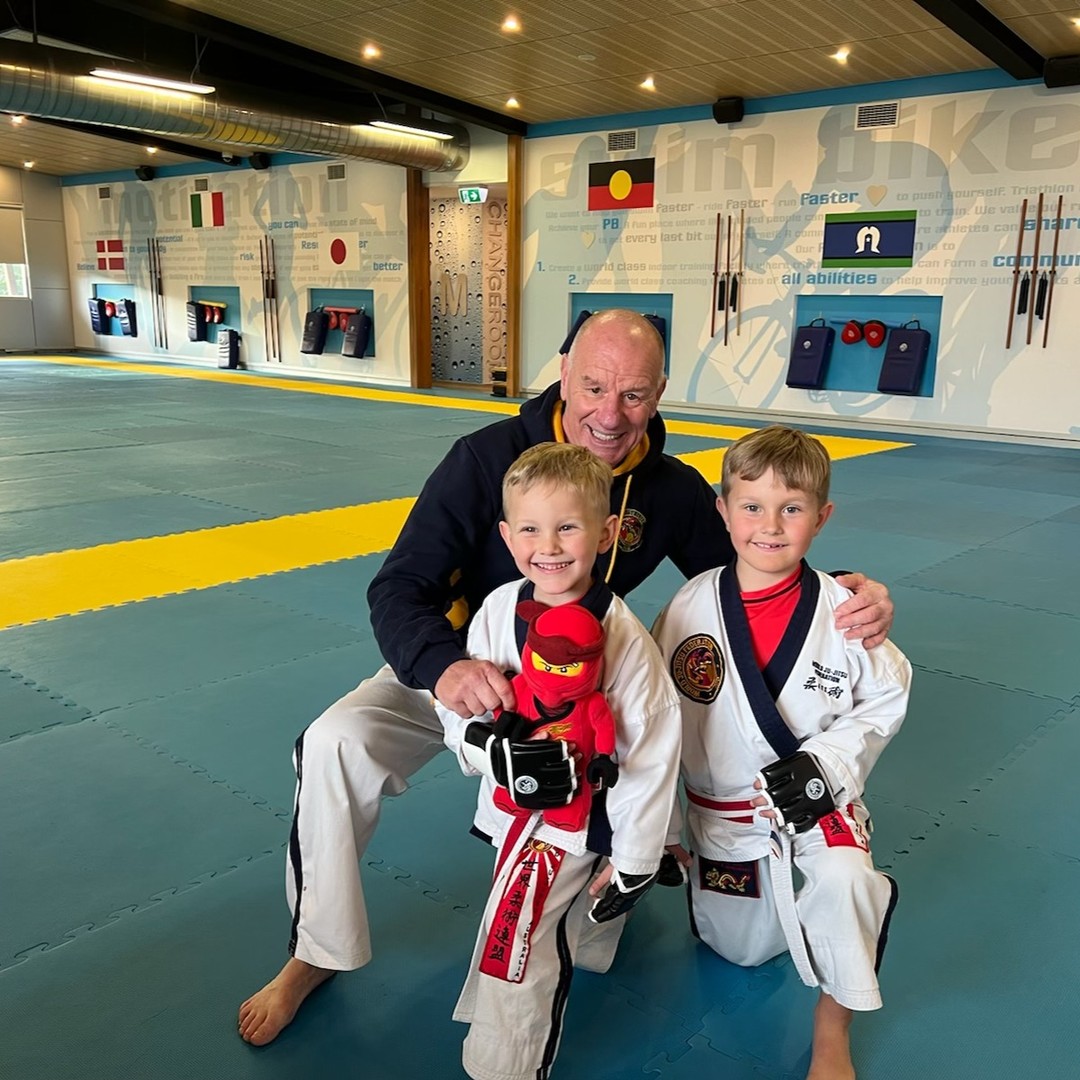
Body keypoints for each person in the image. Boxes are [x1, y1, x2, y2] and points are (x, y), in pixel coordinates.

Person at [238, 309, 894, 1046]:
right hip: (468, 674)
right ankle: (313, 953)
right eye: (593, 387)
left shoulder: (668, 489)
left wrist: (843, 595)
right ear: (563, 372)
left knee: (574, 913)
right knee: (333, 742)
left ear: (660, 394)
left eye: (635, 395)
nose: (610, 415)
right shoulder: (486, 461)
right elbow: (398, 588)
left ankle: (610, 880)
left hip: (583, 711)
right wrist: (445, 667)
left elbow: (753, 565)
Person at [652, 426, 911, 1080]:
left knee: (849, 881)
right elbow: (657, 725)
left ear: (821, 518)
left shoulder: (846, 611)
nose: (770, 526)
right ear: (722, 510)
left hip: (818, 801)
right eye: (751, 506)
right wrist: (666, 829)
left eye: (792, 509)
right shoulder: (688, 607)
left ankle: (833, 1030)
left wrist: (826, 767)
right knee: (739, 950)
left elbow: (888, 693)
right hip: (725, 813)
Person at [438, 442, 681, 1080]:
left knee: (519, 933)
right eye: (530, 528)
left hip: (584, 815)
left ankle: (506, 1066)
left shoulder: (624, 636)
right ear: (505, 535)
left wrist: (636, 859)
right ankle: (598, 933)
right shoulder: (497, 611)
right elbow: (461, 705)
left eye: (568, 527)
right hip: (515, 804)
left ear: (606, 535)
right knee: (557, 919)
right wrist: (482, 745)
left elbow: (651, 752)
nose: (549, 545)